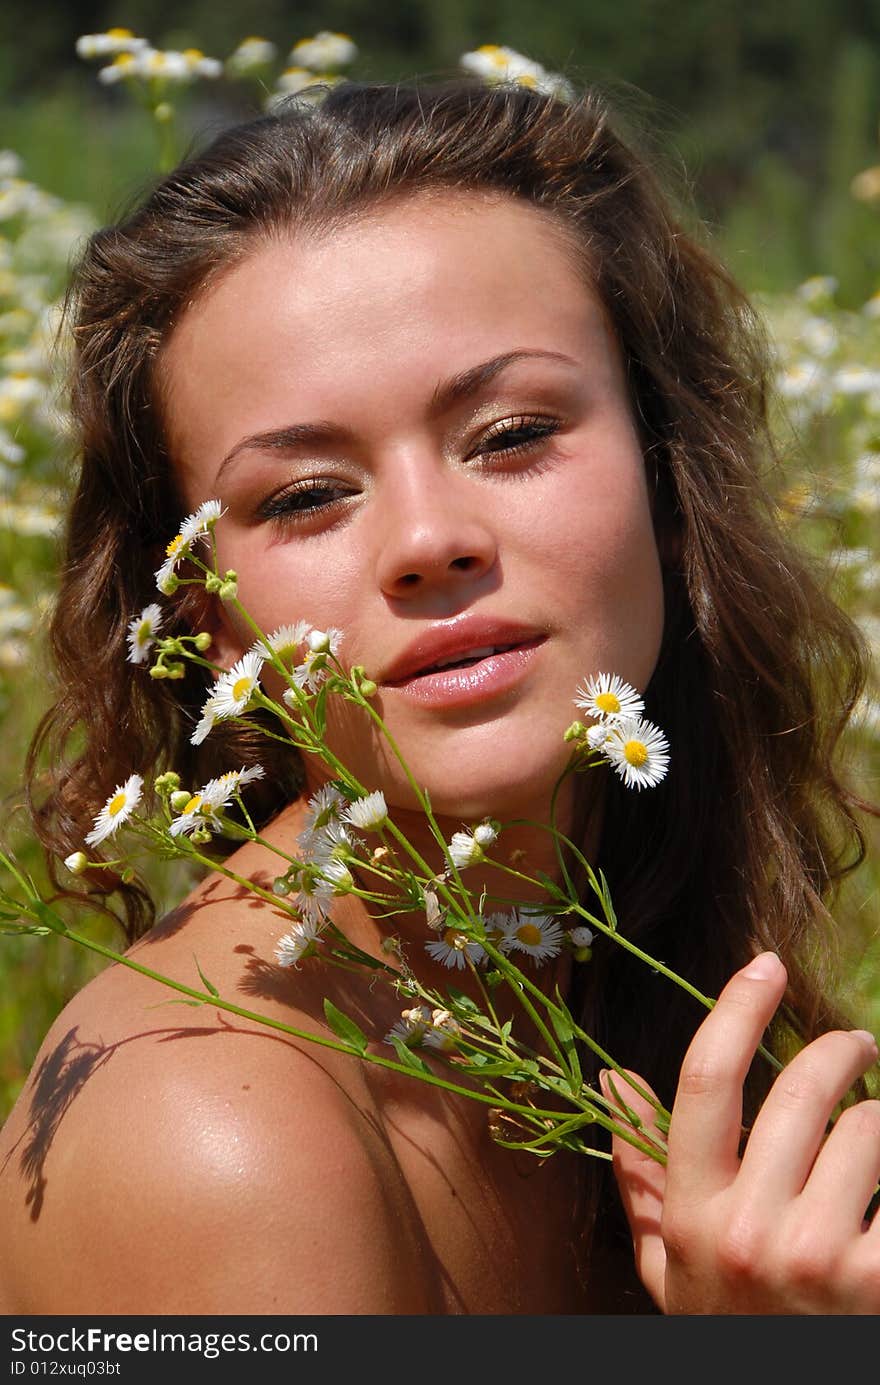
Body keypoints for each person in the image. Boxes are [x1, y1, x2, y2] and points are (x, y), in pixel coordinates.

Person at [0, 73, 877, 1316]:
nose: (429, 538)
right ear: (202, 609)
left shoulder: (626, 937)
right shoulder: (216, 1142)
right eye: (304, 494)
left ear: (668, 470)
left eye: (512, 433)